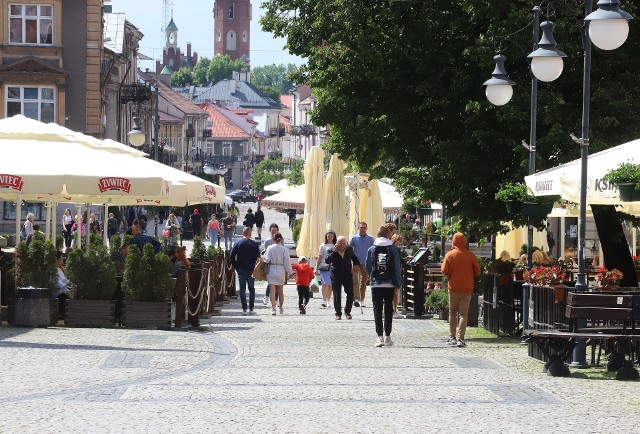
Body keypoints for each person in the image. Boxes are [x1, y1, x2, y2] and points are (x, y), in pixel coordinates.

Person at [441, 232, 481, 348]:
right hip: (467, 288)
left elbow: (444, 271)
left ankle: (452, 337)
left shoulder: (449, 255)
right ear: (464, 242)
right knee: (463, 314)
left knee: (452, 312)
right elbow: (478, 272)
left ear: (453, 242)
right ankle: (461, 339)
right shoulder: (471, 255)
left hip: (453, 288)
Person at [366, 226, 402, 347]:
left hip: (376, 284)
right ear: (388, 235)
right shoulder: (393, 249)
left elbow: (368, 267)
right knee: (388, 309)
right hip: (390, 284)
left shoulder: (372, 249)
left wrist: (373, 276)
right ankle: (388, 337)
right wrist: (397, 284)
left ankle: (379, 337)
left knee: (377, 309)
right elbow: (397, 268)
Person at [325, 235, 360, 320]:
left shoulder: (349, 249)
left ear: (346, 243)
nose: (341, 245)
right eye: (340, 243)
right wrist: (334, 252)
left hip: (347, 275)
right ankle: (338, 313)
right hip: (336, 275)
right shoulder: (331, 250)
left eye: (343, 243)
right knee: (337, 294)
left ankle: (347, 311)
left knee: (350, 293)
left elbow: (354, 258)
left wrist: (356, 265)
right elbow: (327, 260)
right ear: (336, 243)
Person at [230, 226, 260, 314]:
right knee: (251, 288)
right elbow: (258, 257)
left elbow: (231, 256)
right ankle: (251, 307)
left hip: (241, 268)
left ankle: (244, 308)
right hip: (251, 269)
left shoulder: (238, 243)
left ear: (243, 233)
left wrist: (235, 266)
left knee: (242, 289)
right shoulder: (254, 244)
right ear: (250, 234)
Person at [263, 232, 292, 315]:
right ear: (281, 239)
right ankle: (281, 308)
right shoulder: (284, 249)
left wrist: (262, 257)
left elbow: (267, 259)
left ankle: (273, 309)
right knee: (280, 291)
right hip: (280, 269)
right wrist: (290, 272)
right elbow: (287, 262)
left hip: (271, 269)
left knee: (272, 291)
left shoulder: (270, 248)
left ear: (273, 239)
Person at [349, 221, 374, 308]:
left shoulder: (371, 238)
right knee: (355, 281)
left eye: (364, 228)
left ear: (366, 229)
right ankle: (356, 299)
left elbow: (373, 250)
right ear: (358, 228)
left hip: (366, 263)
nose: (362, 229)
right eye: (361, 228)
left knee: (363, 283)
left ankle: (361, 299)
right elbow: (349, 249)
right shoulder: (354, 238)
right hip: (356, 263)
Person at [316, 230, 337, 308]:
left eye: (331, 236)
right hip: (324, 266)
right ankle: (325, 299)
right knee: (325, 283)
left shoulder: (336, 245)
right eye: (329, 236)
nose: (330, 238)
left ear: (334, 237)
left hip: (333, 266)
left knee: (330, 284)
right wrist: (316, 267)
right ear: (326, 236)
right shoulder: (323, 245)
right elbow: (320, 257)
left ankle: (328, 300)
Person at [262, 223, 280, 305]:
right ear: (270, 231)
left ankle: (275, 298)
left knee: (276, 283)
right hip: (270, 264)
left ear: (278, 231)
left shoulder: (280, 240)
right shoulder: (267, 241)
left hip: (279, 264)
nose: (274, 232)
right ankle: (266, 296)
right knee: (271, 282)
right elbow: (265, 252)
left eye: (275, 230)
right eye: (272, 230)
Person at [54, 251, 73, 318]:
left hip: (62, 291)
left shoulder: (59, 270)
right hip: (56, 293)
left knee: (67, 296)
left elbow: (65, 281)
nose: (63, 260)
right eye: (61, 258)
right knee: (64, 296)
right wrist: (67, 290)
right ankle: (62, 315)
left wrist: (72, 286)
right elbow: (57, 283)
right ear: (56, 260)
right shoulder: (52, 270)